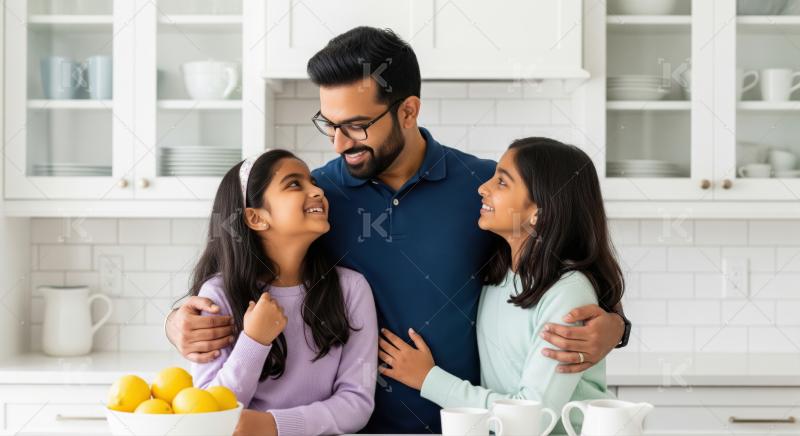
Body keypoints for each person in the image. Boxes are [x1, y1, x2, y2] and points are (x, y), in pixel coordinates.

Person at [165, 27, 630, 433]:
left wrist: (616, 326)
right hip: (349, 429)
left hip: (470, 427)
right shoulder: (319, 199)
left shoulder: (482, 189)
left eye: (357, 125)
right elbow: (239, 263)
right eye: (330, 123)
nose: (339, 142)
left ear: (407, 111)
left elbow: (560, 262)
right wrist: (177, 321)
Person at [378, 138, 623, 434]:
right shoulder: (500, 274)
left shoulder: (566, 292)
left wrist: (428, 379)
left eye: (502, 183)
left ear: (539, 211)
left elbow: (534, 416)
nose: (482, 188)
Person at [186, 149, 378, 436]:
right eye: (294, 184)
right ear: (256, 218)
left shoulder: (351, 289)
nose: (317, 190)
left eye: (312, 182)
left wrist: (274, 425)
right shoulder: (217, 296)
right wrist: (254, 341)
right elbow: (209, 413)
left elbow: (357, 403)